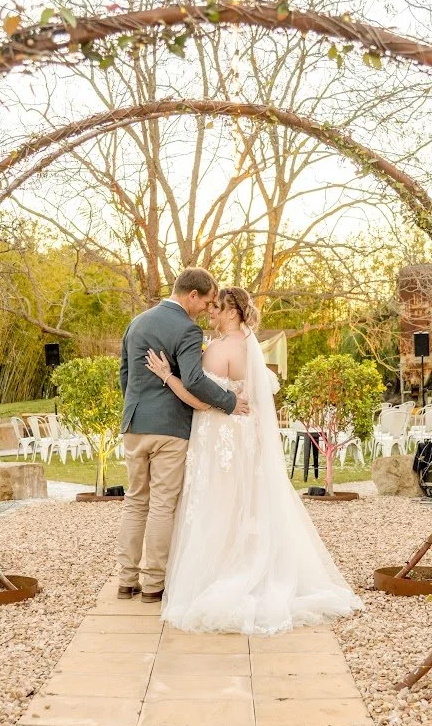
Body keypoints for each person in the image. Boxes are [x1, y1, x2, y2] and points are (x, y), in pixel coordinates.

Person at [145, 285, 361, 634]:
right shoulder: (249, 348)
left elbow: (200, 398)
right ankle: (247, 564)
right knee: (245, 504)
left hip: (220, 438)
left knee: (220, 504)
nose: (211, 312)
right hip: (246, 438)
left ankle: (220, 574)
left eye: (216, 308)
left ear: (232, 313)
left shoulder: (217, 350)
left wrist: (166, 375)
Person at [116, 268, 250, 603]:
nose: (206, 309)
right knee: (162, 505)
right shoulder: (186, 328)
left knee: (134, 501)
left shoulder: (138, 322)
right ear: (192, 295)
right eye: (205, 301)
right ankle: (152, 585)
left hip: (134, 425)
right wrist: (229, 402)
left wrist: (136, 409)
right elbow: (193, 379)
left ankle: (125, 580)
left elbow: (125, 375)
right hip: (170, 430)